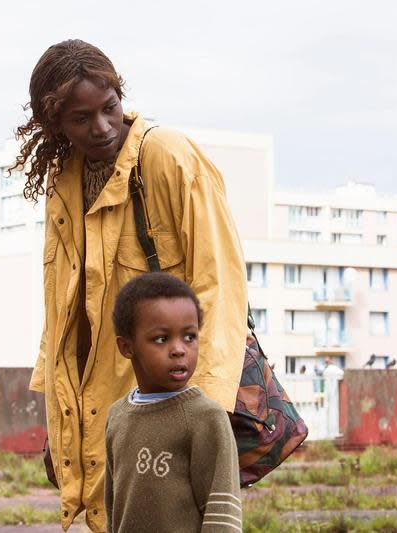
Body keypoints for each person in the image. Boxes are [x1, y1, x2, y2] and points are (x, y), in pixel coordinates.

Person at [14, 40, 248, 532]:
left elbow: (220, 281)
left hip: (172, 403)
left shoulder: (168, 156)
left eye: (110, 107)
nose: (101, 127)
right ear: (54, 125)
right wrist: (61, 431)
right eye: (81, 119)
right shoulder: (63, 184)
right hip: (109, 414)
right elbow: (61, 315)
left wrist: (204, 409)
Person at [105, 272, 242, 532]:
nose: (179, 349)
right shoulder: (117, 416)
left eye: (189, 336)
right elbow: (113, 508)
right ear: (126, 347)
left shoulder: (205, 417)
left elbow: (222, 511)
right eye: (161, 339)